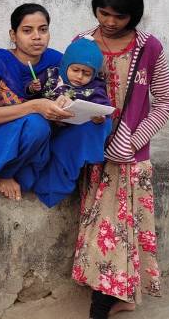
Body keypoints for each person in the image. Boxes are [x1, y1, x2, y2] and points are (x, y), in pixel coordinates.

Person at [70, 0, 169, 319]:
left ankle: (102, 304)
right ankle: (119, 296)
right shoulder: (82, 43)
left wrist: (134, 139)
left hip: (130, 157)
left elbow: (165, 102)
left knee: (114, 228)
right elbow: (67, 91)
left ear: (134, 15)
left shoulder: (149, 48)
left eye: (120, 16)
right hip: (92, 153)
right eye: (104, 13)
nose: (110, 23)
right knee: (107, 229)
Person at [0, 4, 74, 201]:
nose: (37, 36)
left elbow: (77, 85)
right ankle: (1, 171)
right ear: (13, 35)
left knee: (89, 124)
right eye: (27, 31)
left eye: (43, 29)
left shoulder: (55, 59)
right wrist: (35, 106)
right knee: (37, 124)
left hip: (37, 142)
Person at [31, 37, 112, 207]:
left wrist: (99, 118)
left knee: (98, 127)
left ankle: (55, 184)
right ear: (65, 64)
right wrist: (32, 88)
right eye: (75, 70)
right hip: (48, 127)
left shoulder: (95, 88)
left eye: (87, 73)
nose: (80, 76)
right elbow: (32, 93)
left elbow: (102, 108)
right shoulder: (52, 76)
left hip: (72, 132)